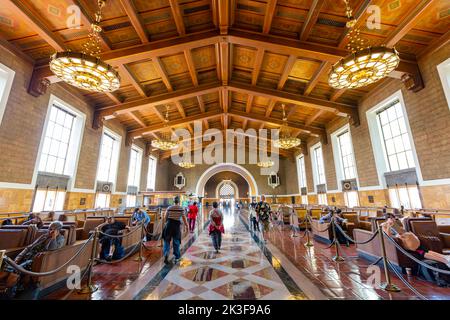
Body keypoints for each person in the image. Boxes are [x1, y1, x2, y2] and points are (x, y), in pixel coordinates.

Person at [381, 218, 450, 268]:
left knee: (427, 251)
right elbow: (388, 236)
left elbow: (400, 231)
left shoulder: (397, 228)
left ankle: (445, 258)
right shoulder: (386, 229)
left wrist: (392, 224)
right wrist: (388, 226)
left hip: (412, 243)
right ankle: (445, 260)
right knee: (424, 253)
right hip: (410, 247)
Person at [162, 196, 188, 264]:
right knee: (176, 241)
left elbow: (165, 217)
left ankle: (166, 254)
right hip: (176, 226)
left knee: (167, 240)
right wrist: (187, 225)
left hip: (169, 225)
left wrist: (166, 223)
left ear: (173, 201)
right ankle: (177, 257)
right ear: (179, 201)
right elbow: (184, 218)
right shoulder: (181, 208)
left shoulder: (169, 208)